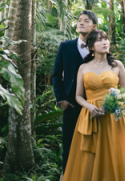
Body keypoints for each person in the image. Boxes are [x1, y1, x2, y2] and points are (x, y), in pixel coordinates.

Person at [62, 29, 125, 181]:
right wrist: (90, 107)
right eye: (99, 40)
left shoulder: (117, 65)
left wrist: (112, 106)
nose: (104, 42)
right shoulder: (83, 68)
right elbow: (78, 96)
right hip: (89, 116)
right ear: (90, 47)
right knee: (88, 158)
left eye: (105, 39)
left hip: (112, 118)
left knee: (113, 154)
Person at [52, 10, 98, 174]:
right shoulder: (65, 46)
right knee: (69, 144)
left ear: (94, 26)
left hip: (93, 105)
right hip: (71, 103)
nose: (81, 23)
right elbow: (56, 74)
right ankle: (67, 175)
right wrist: (61, 99)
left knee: (92, 143)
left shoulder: (98, 49)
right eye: (79, 20)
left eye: (86, 21)